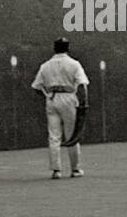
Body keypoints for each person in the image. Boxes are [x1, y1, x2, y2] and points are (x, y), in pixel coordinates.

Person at [30, 38, 89, 179]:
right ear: (68, 48)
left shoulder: (45, 66)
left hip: (51, 99)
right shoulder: (74, 64)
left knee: (54, 135)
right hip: (69, 98)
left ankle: (56, 170)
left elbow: (36, 87)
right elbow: (82, 85)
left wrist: (47, 96)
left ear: (54, 49)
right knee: (72, 135)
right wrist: (84, 102)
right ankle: (75, 169)